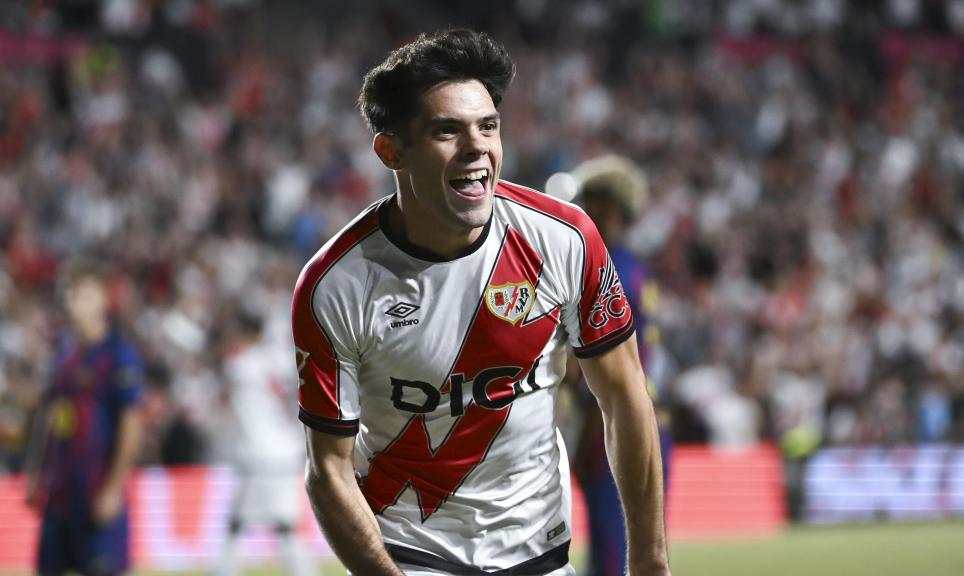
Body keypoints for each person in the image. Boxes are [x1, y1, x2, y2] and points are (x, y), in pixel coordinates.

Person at [292, 29, 670, 574]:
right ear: (391, 150)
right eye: (447, 130)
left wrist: (650, 561)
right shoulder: (337, 286)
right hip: (412, 554)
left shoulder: (564, 239)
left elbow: (625, 394)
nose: (477, 147)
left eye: (488, 126)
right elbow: (327, 469)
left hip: (541, 553)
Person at [556, 156, 672, 576]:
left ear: (609, 207)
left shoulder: (607, 270)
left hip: (616, 425)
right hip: (646, 418)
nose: (579, 208)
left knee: (612, 558)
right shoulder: (634, 265)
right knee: (630, 551)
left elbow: (584, 370)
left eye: (588, 200)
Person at [24, 260, 144, 576]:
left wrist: (113, 488)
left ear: (103, 300)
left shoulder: (118, 355)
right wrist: (35, 472)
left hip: (95, 486)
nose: (73, 301)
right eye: (70, 294)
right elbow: (48, 416)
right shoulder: (63, 354)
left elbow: (131, 424)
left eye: (83, 294)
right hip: (60, 491)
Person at [216, 309, 313, 576]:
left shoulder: (239, 364)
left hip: (259, 454)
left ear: (246, 332)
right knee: (284, 522)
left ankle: (224, 570)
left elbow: (227, 386)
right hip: (286, 449)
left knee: (240, 521)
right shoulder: (279, 359)